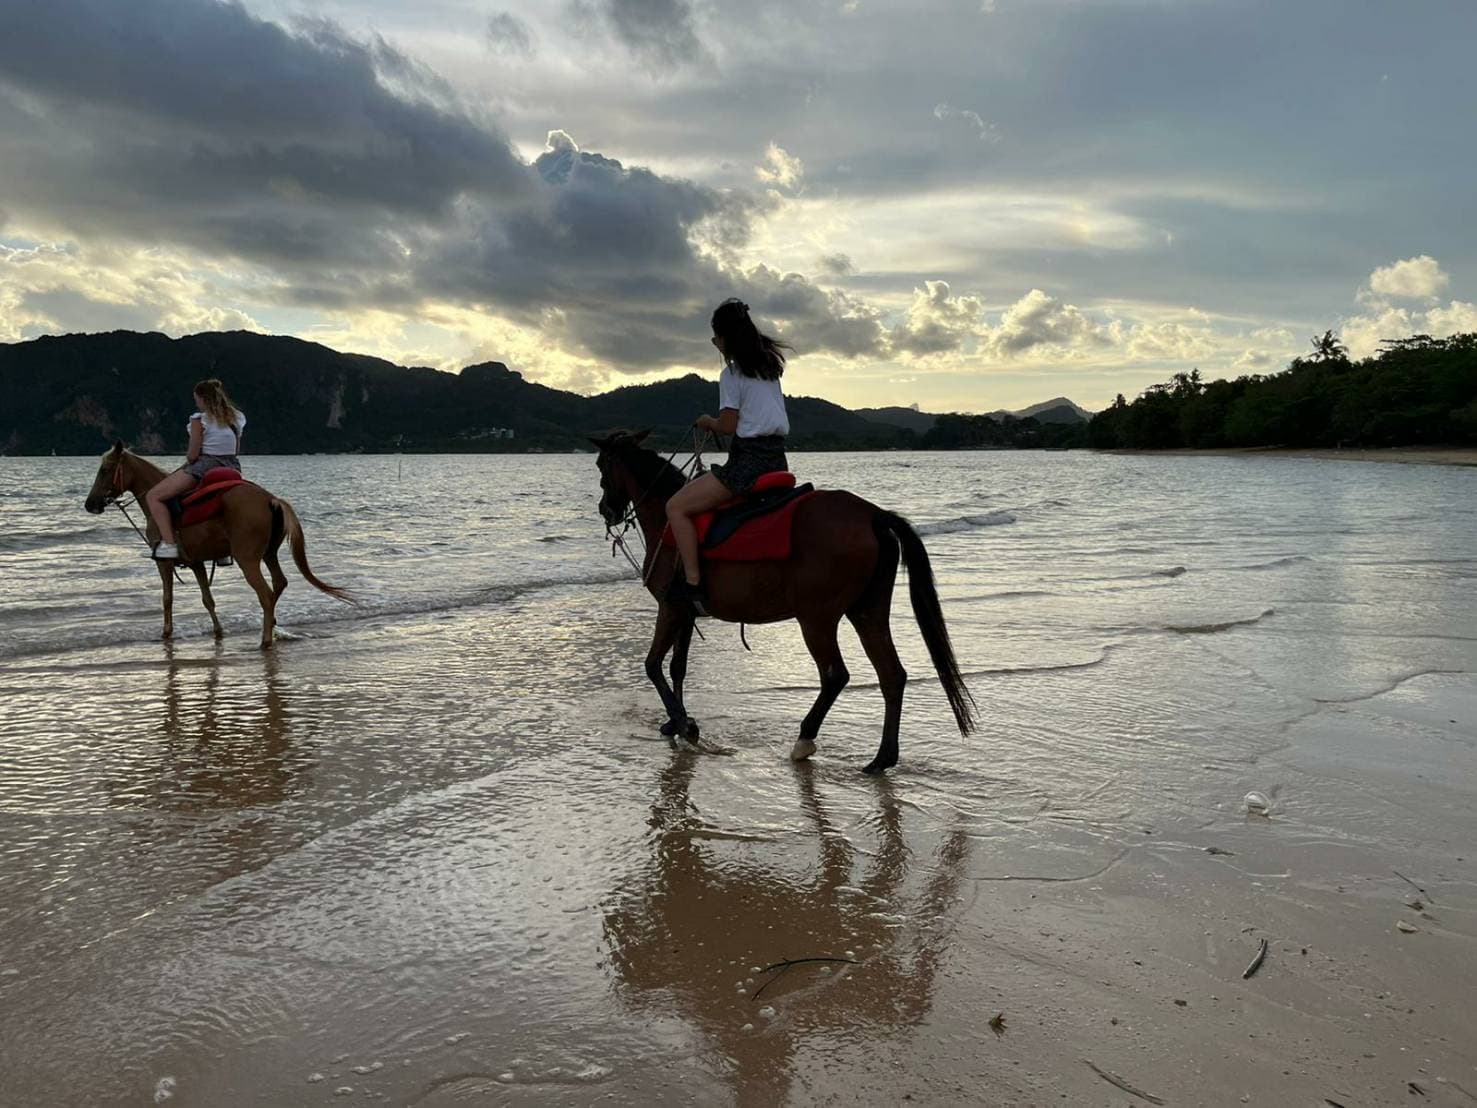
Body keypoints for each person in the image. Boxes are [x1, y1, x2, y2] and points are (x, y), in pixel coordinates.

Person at [666, 299, 791, 611]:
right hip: (777, 459)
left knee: (676, 506)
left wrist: (707, 422)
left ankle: (693, 583)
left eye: (715, 339)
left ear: (725, 339)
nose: (716, 345)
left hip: (748, 463)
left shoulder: (731, 374)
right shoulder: (770, 369)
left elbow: (728, 426)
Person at [146, 379, 246, 560]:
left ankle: (169, 545)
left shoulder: (199, 420)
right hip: (233, 467)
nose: (196, 403)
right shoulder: (236, 418)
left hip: (206, 466)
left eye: (196, 399)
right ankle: (221, 554)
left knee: (153, 496)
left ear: (203, 399)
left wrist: (192, 459)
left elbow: (192, 456)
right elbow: (236, 450)